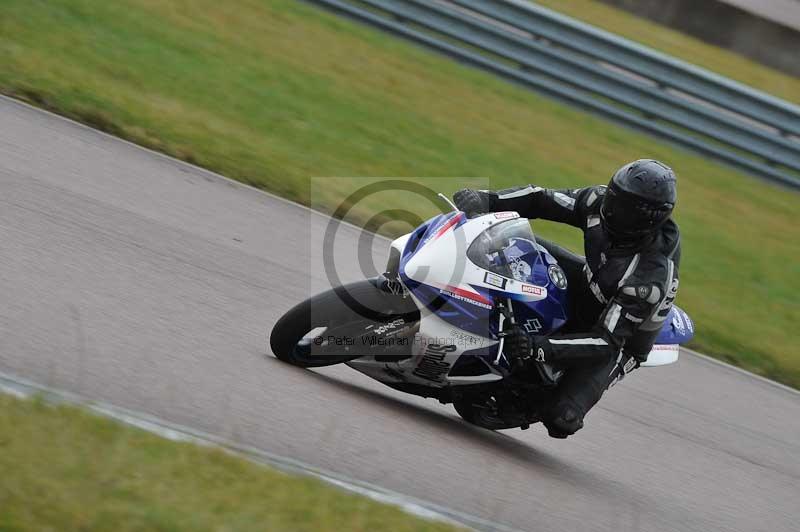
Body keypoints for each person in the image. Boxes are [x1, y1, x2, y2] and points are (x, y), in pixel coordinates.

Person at [453, 159, 680, 438]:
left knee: (562, 419)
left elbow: (606, 342)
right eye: (615, 197)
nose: (613, 209)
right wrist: (487, 199)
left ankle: (532, 390)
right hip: (592, 281)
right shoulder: (599, 201)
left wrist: (537, 347)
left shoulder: (647, 277)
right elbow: (540, 199)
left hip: (618, 338)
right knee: (506, 246)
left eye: (625, 209)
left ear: (647, 219)